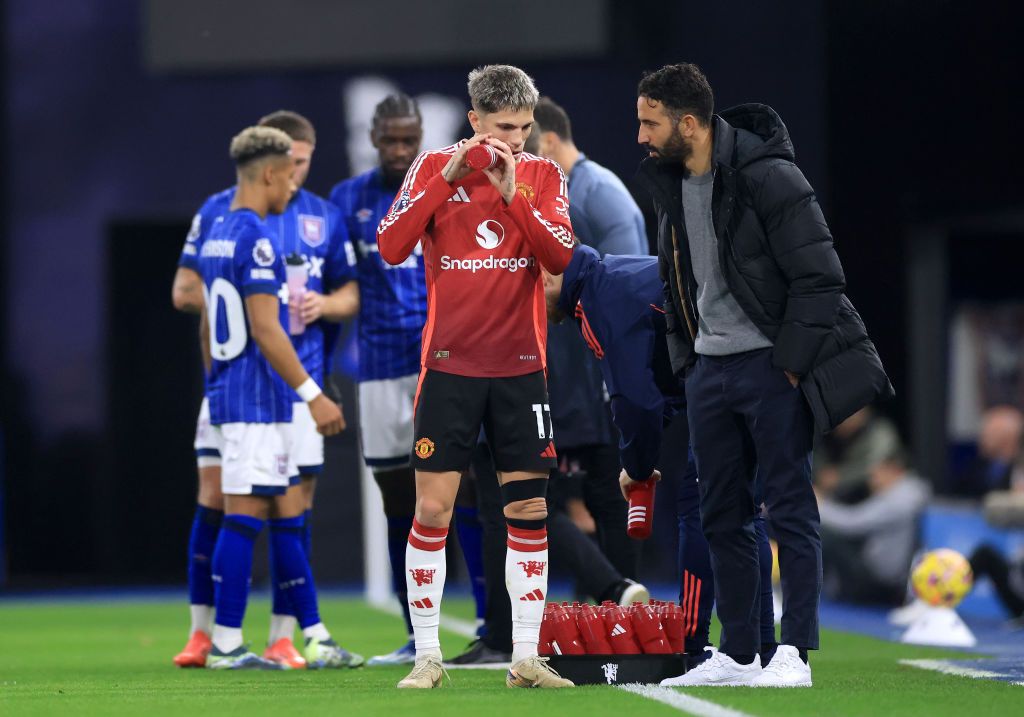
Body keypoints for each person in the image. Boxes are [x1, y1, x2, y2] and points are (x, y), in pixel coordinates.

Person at [635, 63, 892, 688]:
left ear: (688, 123)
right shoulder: (669, 185)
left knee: (790, 510)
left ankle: (795, 653)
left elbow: (821, 277)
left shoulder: (770, 176)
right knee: (721, 514)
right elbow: (674, 286)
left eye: (650, 122)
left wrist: (790, 367)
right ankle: (741, 651)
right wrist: (687, 363)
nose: (640, 135)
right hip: (710, 374)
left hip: (771, 370)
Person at [377, 64, 574, 689]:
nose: (515, 139)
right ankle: (428, 657)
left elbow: (560, 256)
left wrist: (512, 189)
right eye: (503, 128)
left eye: (524, 127)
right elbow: (391, 244)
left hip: (521, 370)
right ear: (474, 121)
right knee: (432, 511)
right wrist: (450, 179)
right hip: (449, 369)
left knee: (529, 506)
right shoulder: (433, 167)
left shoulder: (543, 174)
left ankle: (523, 658)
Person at [171, 111, 360, 669]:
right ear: (272, 174)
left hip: (235, 392)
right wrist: (314, 394)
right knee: (244, 513)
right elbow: (267, 328)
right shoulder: (255, 239)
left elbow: (207, 322)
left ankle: (294, 635)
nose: (293, 187)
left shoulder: (219, 229)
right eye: (289, 175)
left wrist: (216, 379)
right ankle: (226, 642)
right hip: (260, 397)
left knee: (268, 510)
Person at [542, 243, 776, 669]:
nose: (527, 309)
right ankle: (761, 646)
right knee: (742, 511)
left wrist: (636, 469)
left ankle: (694, 644)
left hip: (735, 373)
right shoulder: (610, 277)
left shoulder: (599, 300)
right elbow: (664, 375)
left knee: (698, 506)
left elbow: (636, 401)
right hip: (755, 364)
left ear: (547, 275)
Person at [329, 93, 427, 666]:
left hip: (440, 364)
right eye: (389, 140)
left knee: (457, 497)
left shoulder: (443, 188)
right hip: (378, 371)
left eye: (408, 140)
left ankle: (493, 624)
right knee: (397, 502)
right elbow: (338, 284)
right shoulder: (347, 201)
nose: (398, 150)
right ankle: (416, 630)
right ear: (372, 138)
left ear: (420, 138)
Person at [532, 96, 647, 582]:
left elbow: (629, 284)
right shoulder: (559, 192)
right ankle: (602, 609)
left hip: (598, 375)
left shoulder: (598, 193)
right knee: (578, 495)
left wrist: (614, 376)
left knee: (605, 494)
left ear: (551, 140)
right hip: (571, 374)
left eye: (529, 145)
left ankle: (623, 607)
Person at [818, 450, 931, 606]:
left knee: (823, 535)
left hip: (882, 581)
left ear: (893, 471)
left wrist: (818, 504)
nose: (871, 479)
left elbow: (851, 522)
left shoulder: (900, 499)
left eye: (876, 474)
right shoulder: (907, 493)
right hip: (880, 571)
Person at [814, 406, 903, 504]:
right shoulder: (831, 436)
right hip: (842, 499)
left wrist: (840, 477)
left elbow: (874, 467)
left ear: (862, 412)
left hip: (882, 495)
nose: (842, 422)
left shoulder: (881, 432)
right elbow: (817, 464)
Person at [953, 406, 1024, 497]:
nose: (982, 438)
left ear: (1007, 438)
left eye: (990, 433)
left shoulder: (1019, 470)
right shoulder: (974, 467)